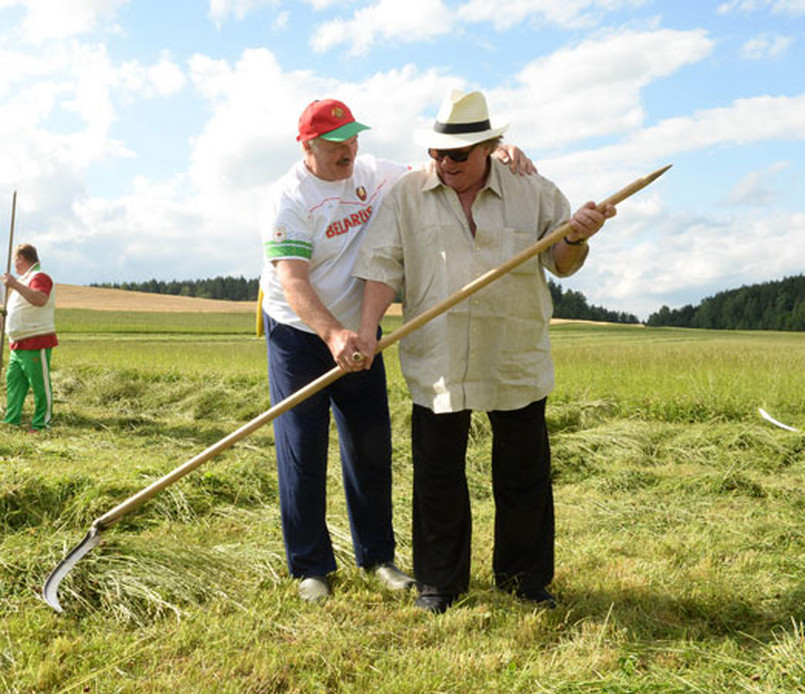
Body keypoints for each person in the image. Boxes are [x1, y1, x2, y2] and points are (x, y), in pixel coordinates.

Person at [260, 97, 535, 602]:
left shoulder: (374, 173)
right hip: (301, 332)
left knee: (369, 446)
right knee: (302, 449)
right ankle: (311, 567)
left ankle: (377, 557)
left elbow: (445, 168)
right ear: (307, 145)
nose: (349, 150)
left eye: (353, 138)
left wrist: (496, 153)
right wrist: (331, 335)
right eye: (336, 144)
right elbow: (293, 281)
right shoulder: (289, 198)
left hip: (363, 332)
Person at [353, 89, 617, 613]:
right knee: (437, 474)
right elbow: (382, 266)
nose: (444, 164)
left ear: (490, 147)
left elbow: (562, 263)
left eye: (457, 155)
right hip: (439, 354)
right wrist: (366, 331)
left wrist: (581, 236)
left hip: (512, 349)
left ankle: (524, 581)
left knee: (523, 473)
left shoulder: (532, 189)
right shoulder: (406, 195)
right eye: (437, 154)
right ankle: (439, 583)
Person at [1, 243, 58, 433]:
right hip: (17, 342)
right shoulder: (23, 281)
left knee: (39, 384)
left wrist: (14, 284)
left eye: (15, 260)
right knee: (14, 383)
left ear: (22, 259)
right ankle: (12, 421)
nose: (14, 265)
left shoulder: (39, 277)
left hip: (36, 339)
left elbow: (39, 299)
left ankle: (42, 424)